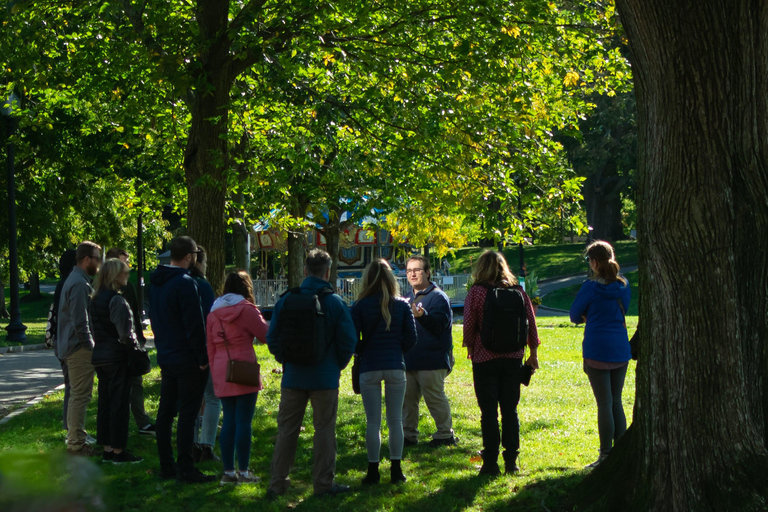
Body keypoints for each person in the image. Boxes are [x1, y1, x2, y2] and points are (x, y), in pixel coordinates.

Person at [266, 249, 357, 497]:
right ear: (327, 272)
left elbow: (272, 337)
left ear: (305, 270)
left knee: (286, 430)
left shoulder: (286, 299)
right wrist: (335, 365)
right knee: (324, 430)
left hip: (293, 376)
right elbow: (349, 341)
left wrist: (286, 359)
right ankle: (323, 484)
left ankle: (278, 482)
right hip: (324, 377)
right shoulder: (335, 302)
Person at [462, 251, 540, 475]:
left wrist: (470, 348)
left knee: (488, 412)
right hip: (514, 357)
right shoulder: (517, 291)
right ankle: (512, 461)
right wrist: (533, 352)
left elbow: (469, 324)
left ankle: (490, 463)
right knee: (510, 410)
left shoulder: (476, 292)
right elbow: (531, 323)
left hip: (484, 358)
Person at [149, 236, 213, 483]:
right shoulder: (186, 283)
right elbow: (195, 325)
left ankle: (167, 464)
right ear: (189, 256)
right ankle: (185, 466)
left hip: (167, 356)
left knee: (165, 414)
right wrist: (202, 357)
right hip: (188, 359)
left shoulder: (156, 283)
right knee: (187, 414)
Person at [351, 259, 417, 485]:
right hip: (395, 365)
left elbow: (352, 339)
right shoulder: (402, 305)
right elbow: (411, 339)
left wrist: (362, 350)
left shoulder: (359, 306)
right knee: (396, 420)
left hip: (369, 366)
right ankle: (396, 470)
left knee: (373, 422)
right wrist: (396, 349)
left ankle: (373, 471)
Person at [570, 240, 631, 468]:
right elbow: (625, 306)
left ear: (594, 262)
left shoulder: (590, 287)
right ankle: (621, 453)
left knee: (604, 403)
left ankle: (605, 454)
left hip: (597, 350)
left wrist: (589, 315)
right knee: (616, 401)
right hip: (620, 349)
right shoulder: (623, 286)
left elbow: (574, 315)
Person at [206, 271, 269, 485]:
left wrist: (215, 371)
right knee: (244, 421)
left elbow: (210, 346)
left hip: (222, 366)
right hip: (243, 366)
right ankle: (243, 471)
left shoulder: (214, 312)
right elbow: (264, 335)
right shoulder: (247, 309)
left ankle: (228, 472)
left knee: (229, 420)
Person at [90, 258, 143, 464]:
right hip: (116, 357)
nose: (127, 275)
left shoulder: (94, 299)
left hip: (100, 356)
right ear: (115, 275)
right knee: (120, 404)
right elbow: (125, 333)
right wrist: (134, 349)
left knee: (105, 403)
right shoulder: (117, 300)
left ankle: (107, 448)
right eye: (124, 272)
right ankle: (119, 451)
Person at [402, 254, 456, 447]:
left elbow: (440, 325)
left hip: (432, 360)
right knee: (407, 401)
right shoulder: (406, 298)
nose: (412, 274)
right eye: (409, 271)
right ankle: (408, 435)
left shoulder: (438, 297)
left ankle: (445, 435)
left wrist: (423, 315)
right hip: (409, 360)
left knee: (434, 398)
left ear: (427, 272)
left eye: (416, 270)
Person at [57, 241, 101, 456]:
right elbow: (80, 322)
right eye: (97, 259)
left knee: (78, 395)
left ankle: (76, 440)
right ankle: (76, 444)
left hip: (73, 348)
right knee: (80, 396)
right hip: (78, 350)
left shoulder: (76, 280)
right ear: (86, 260)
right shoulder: (79, 284)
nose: (100, 264)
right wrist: (91, 347)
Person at [105, 248, 155, 437]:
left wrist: (139, 339)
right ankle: (119, 428)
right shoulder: (104, 290)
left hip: (131, 343)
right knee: (119, 387)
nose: (127, 266)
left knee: (137, 383)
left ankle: (142, 422)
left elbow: (134, 314)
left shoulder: (128, 287)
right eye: (124, 261)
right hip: (118, 347)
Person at [189, 246, 220, 462]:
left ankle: (190, 444)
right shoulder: (202, 285)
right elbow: (210, 319)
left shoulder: (176, 283)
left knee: (190, 400)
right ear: (198, 262)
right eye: (205, 262)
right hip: (204, 348)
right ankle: (206, 445)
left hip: (181, 351)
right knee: (212, 397)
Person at [50, 249, 77, 432]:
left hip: (61, 341)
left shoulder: (62, 284)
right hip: (68, 342)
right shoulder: (70, 284)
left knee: (70, 385)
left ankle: (69, 425)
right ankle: (69, 426)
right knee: (72, 387)